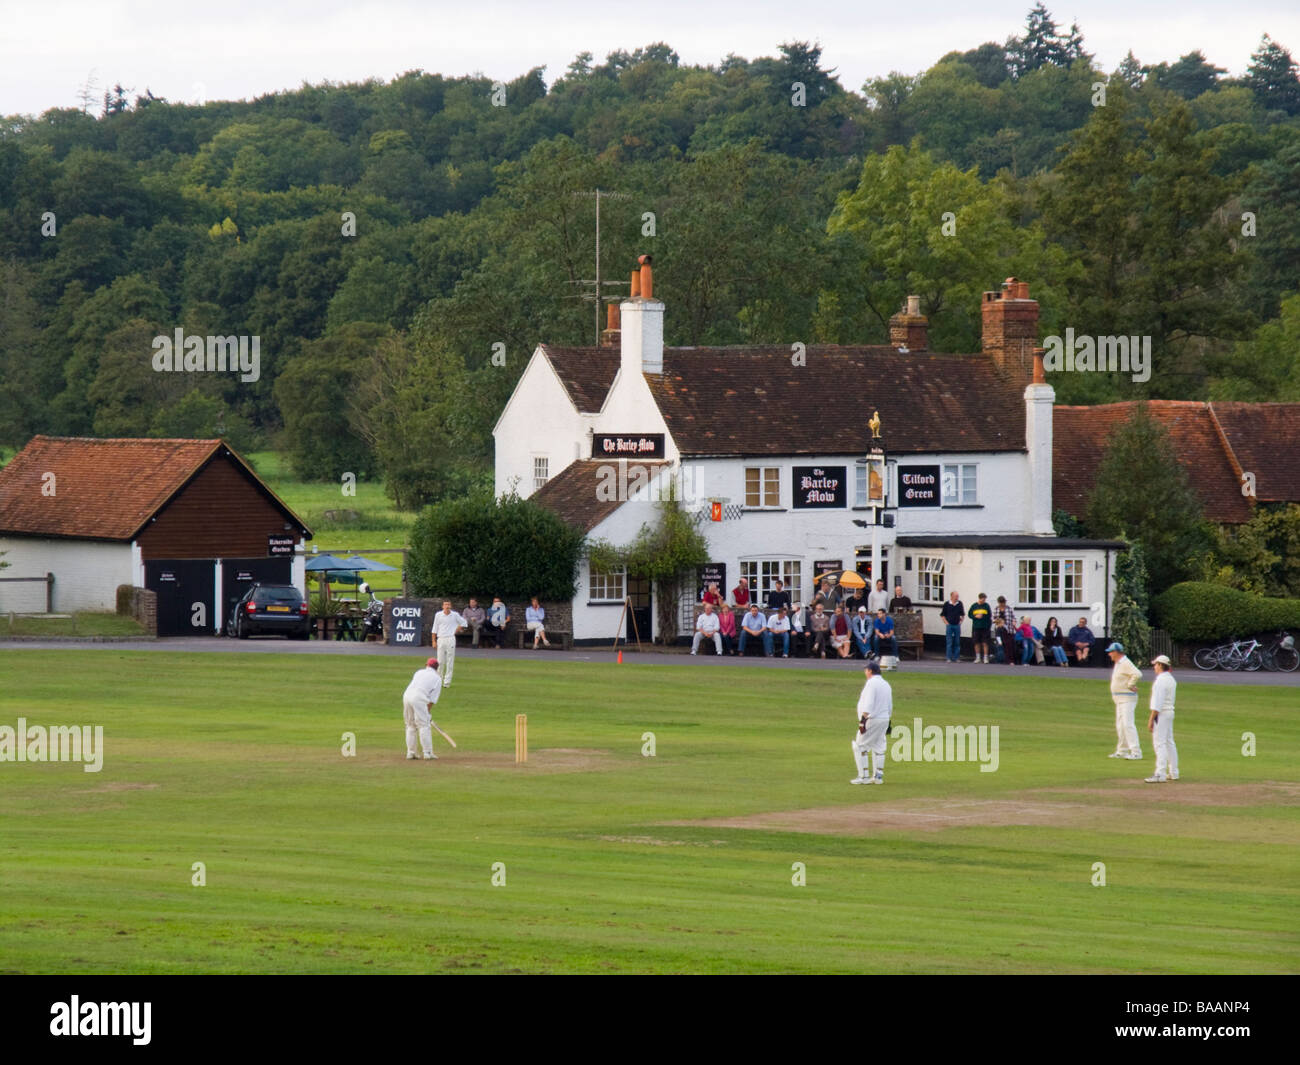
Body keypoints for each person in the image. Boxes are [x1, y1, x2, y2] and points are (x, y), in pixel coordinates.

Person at [850, 659, 892, 785]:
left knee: (860, 746)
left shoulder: (871, 684)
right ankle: (878, 777)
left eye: (866, 670)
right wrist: (888, 721)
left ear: (870, 671)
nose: (865, 672)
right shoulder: (886, 684)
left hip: (872, 719)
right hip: (884, 719)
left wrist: (863, 720)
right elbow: (889, 705)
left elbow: (868, 703)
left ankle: (863, 777)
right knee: (879, 747)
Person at [1106, 641, 1143, 760]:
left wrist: (1130, 684)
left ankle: (1136, 752)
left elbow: (1137, 674)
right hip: (1119, 699)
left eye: (1111, 652)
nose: (1109, 654)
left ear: (1116, 652)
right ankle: (1122, 750)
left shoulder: (1125, 662)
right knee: (1120, 725)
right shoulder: (1118, 663)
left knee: (1128, 724)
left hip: (1127, 698)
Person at [1146, 655, 1179, 783]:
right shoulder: (1171, 679)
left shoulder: (1160, 681)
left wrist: (1151, 719)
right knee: (1169, 742)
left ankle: (1160, 773)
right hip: (1169, 712)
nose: (1154, 667)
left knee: (1160, 743)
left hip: (1162, 714)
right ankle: (1174, 772)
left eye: (1155, 665)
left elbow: (1157, 704)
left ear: (1160, 665)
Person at [402, 657, 443, 760]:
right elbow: (432, 700)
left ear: (427, 665)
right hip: (419, 697)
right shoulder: (437, 679)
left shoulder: (419, 672)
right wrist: (427, 713)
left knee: (410, 725)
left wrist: (426, 713)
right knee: (424, 725)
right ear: (436, 668)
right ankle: (427, 753)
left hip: (407, 695)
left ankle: (411, 753)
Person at [431, 600, 467, 686]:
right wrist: (433, 641)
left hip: (450, 638)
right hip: (441, 639)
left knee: (450, 661)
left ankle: (447, 682)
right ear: (442, 606)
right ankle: (439, 680)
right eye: (445, 604)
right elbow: (434, 628)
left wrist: (458, 629)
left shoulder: (455, 615)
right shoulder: (438, 615)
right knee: (440, 661)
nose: (447, 606)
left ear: (450, 606)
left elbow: (464, 623)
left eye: (448, 604)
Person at [940, 591, 965, 662]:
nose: (957, 597)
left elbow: (962, 614)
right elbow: (942, 615)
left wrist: (960, 622)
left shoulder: (959, 604)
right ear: (952, 596)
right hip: (949, 625)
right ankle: (948, 657)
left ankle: (956, 657)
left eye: (958, 596)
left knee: (957, 642)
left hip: (957, 625)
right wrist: (946, 623)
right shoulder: (947, 604)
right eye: (956, 596)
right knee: (949, 642)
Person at [968, 593, 992, 663]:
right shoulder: (974, 606)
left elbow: (989, 615)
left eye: (985, 599)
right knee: (976, 642)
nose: (984, 601)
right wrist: (975, 616)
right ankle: (978, 657)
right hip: (976, 627)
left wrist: (984, 618)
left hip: (985, 627)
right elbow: (969, 614)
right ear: (980, 598)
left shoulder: (986, 606)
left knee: (985, 642)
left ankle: (985, 658)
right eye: (983, 599)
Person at [994, 597, 1017, 666]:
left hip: (1008, 629)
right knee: (1000, 647)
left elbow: (1013, 617)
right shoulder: (996, 609)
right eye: (1001, 603)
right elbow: (993, 618)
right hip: (999, 628)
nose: (1002, 604)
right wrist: (997, 622)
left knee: (1009, 646)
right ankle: (1001, 660)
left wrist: (1014, 622)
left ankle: (1010, 660)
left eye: (1003, 603)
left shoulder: (1009, 608)